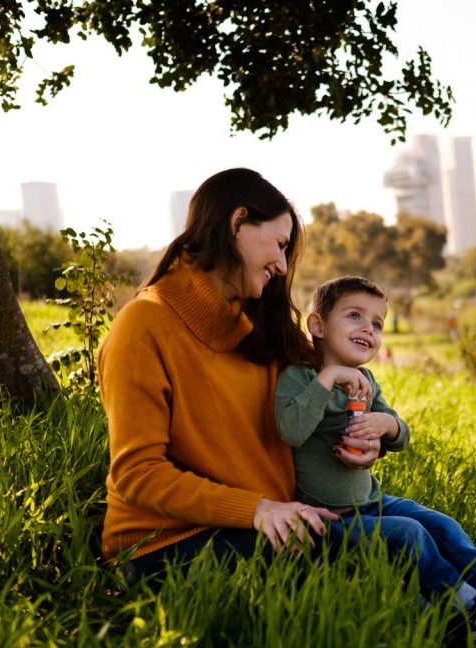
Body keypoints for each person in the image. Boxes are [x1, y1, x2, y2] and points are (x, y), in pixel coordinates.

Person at [97, 168, 375, 583]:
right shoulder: (143, 325)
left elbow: (322, 394)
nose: (282, 266)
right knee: (392, 549)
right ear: (237, 222)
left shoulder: (258, 322)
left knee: (424, 529)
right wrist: (258, 509)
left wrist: (368, 439)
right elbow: (138, 473)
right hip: (166, 546)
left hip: (270, 519)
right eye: (279, 245)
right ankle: (472, 629)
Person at [274, 276, 476, 648]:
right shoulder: (299, 376)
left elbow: (401, 434)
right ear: (318, 325)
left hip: (372, 501)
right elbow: (291, 431)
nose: (368, 328)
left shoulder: (366, 380)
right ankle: (466, 617)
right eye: (355, 316)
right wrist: (329, 377)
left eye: (377, 323)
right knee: (408, 534)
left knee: (441, 524)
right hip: (327, 518)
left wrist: (387, 424)